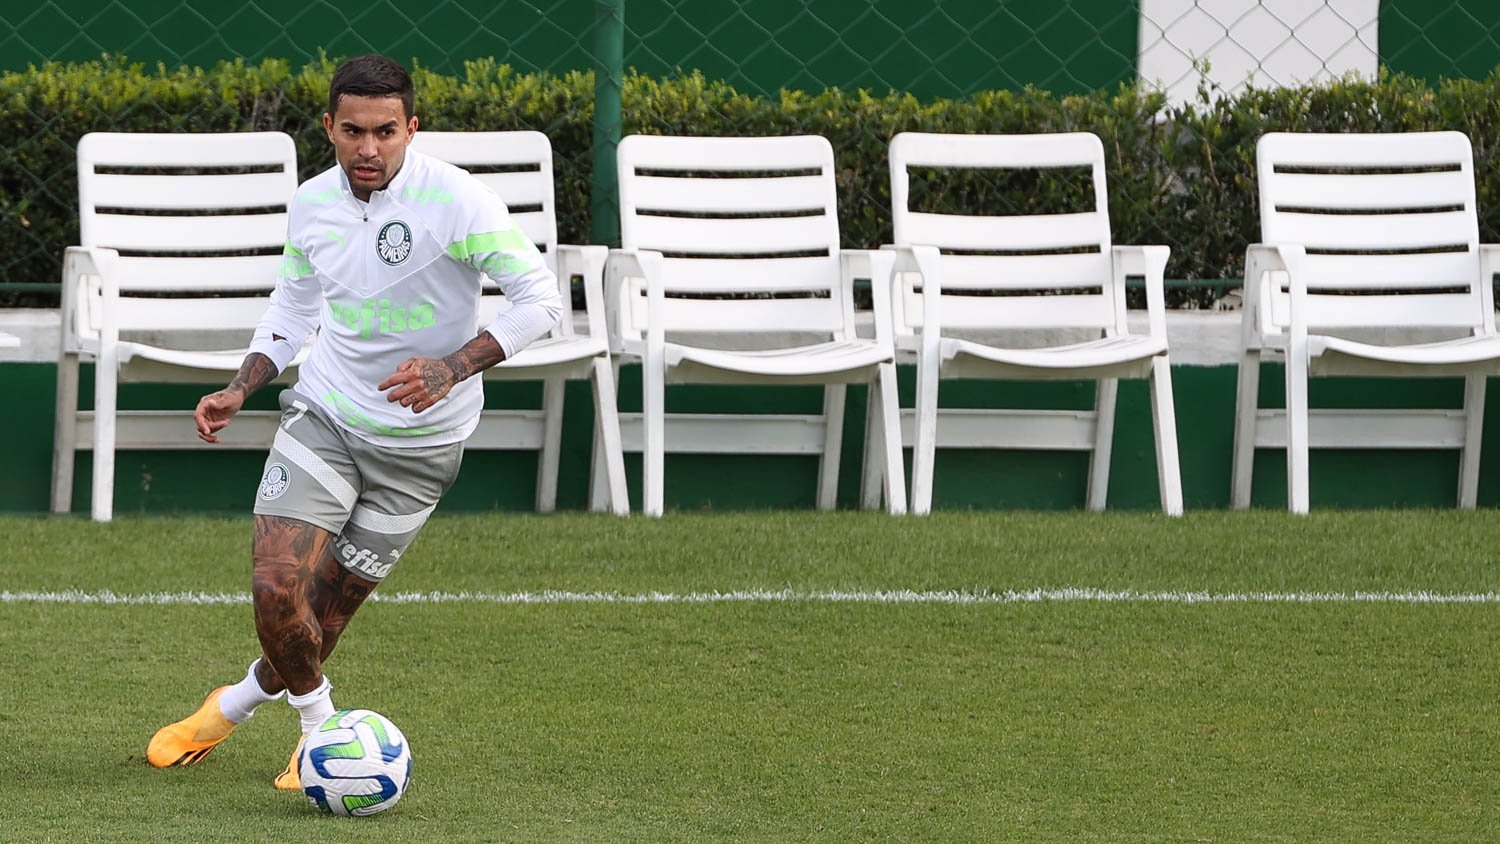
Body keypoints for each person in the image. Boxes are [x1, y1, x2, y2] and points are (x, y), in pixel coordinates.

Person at [145, 54, 562, 789]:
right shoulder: (311, 204)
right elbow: (293, 308)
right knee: (277, 589)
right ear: (329, 127)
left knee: (320, 619)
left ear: (412, 128)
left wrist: (451, 367)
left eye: (385, 132)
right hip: (327, 417)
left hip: (423, 450)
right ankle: (320, 734)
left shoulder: (460, 202)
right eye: (353, 131)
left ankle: (232, 704)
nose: (368, 148)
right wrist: (242, 386)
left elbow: (541, 302)